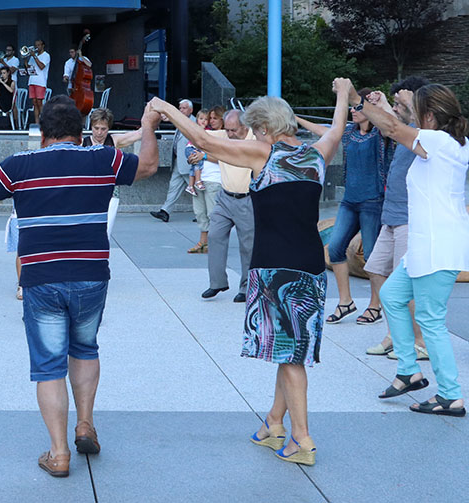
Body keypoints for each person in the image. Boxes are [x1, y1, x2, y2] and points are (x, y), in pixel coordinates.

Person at [0, 95, 161, 478]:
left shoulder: (22, 165)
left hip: (41, 278)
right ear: (79, 133)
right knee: (86, 347)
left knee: (48, 366)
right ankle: (85, 424)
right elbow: (149, 166)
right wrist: (149, 126)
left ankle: (59, 454)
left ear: (43, 134)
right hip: (92, 274)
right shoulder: (102, 158)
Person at [150, 78, 351, 466]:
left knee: (291, 358)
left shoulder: (263, 153)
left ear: (262, 128)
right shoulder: (317, 153)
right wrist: (342, 94)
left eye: (255, 128)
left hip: (276, 267)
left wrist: (167, 109)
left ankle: (302, 439)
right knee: (288, 349)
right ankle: (274, 422)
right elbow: (338, 128)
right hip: (310, 264)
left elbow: (206, 143)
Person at [359, 84, 467, 417]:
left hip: (436, 247)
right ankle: (408, 371)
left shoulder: (437, 141)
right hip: (424, 245)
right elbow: (396, 122)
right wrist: (381, 105)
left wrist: (358, 99)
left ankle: (450, 395)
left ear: (430, 116)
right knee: (392, 296)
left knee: (430, 320)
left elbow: (392, 127)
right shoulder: (447, 142)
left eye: (418, 110)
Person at [297, 89, 390, 324]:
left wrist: (382, 105)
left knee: (371, 257)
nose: (352, 111)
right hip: (349, 201)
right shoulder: (348, 133)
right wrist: (295, 118)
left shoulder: (382, 134)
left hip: (373, 202)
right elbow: (322, 131)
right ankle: (345, 301)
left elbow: (394, 123)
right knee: (335, 248)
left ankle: (375, 305)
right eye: (351, 107)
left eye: (357, 107)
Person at [363, 77, 430, 360]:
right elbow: (390, 122)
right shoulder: (404, 127)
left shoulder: (427, 132)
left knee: (407, 281)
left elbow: (397, 124)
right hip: (391, 215)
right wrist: (377, 105)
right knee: (376, 269)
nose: (395, 106)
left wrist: (360, 100)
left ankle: (420, 341)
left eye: (400, 101)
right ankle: (395, 334)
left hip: (409, 217)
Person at [202, 110, 255, 302]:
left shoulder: (256, 139)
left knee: (248, 245)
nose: (230, 134)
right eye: (228, 129)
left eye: (234, 130)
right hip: (224, 198)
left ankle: (246, 287)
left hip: (247, 199)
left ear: (245, 126)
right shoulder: (224, 135)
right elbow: (198, 135)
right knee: (214, 235)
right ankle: (217, 283)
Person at [82, 108, 144, 237]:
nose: (99, 133)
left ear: (108, 128)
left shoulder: (114, 140)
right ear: (91, 126)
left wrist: (153, 117)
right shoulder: (83, 143)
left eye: (103, 129)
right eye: (96, 128)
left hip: (111, 193)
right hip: (87, 192)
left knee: (107, 229)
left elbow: (138, 134)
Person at [151, 98, 194, 223]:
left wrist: (170, 117)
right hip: (178, 162)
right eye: (179, 108)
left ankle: (204, 212)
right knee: (173, 187)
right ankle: (165, 211)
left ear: (190, 110)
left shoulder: (192, 122)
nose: (181, 110)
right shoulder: (180, 122)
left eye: (184, 108)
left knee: (196, 190)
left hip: (188, 163)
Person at [186, 110, 223, 254]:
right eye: (209, 118)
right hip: (198, 180)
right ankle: (203, 243)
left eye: (214, 118)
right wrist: (193, 157)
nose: (211, 121)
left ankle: (214, 244)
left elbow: (224, 158)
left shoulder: (224, 136)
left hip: (213, 180)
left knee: (212, 214)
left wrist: (204, 156)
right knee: (200, 213)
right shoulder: (205, 134)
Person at [184, 110, 210, 195]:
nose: (203, 121)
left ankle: (190, 186)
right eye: (201, 118)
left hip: (195, 148)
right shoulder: (196, 128)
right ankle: (198, 181)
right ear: (197, 119)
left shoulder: (208, 130)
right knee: (197, 163)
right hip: (191, 148)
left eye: (206, 119)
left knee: (193, 166)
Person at [24, 40, 50, 124]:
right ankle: (37, 123)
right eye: (36, 45)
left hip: (40, 82)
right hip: (32, 81)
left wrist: (34, 56)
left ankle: (43, 122)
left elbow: (41, 66)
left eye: (38, 45)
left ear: (43, 46)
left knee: (39, 102)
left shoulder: (46, 55)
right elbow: (29, 68)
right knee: (34, 103)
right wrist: (25, 59)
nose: (37, 47)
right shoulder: (32, 57)